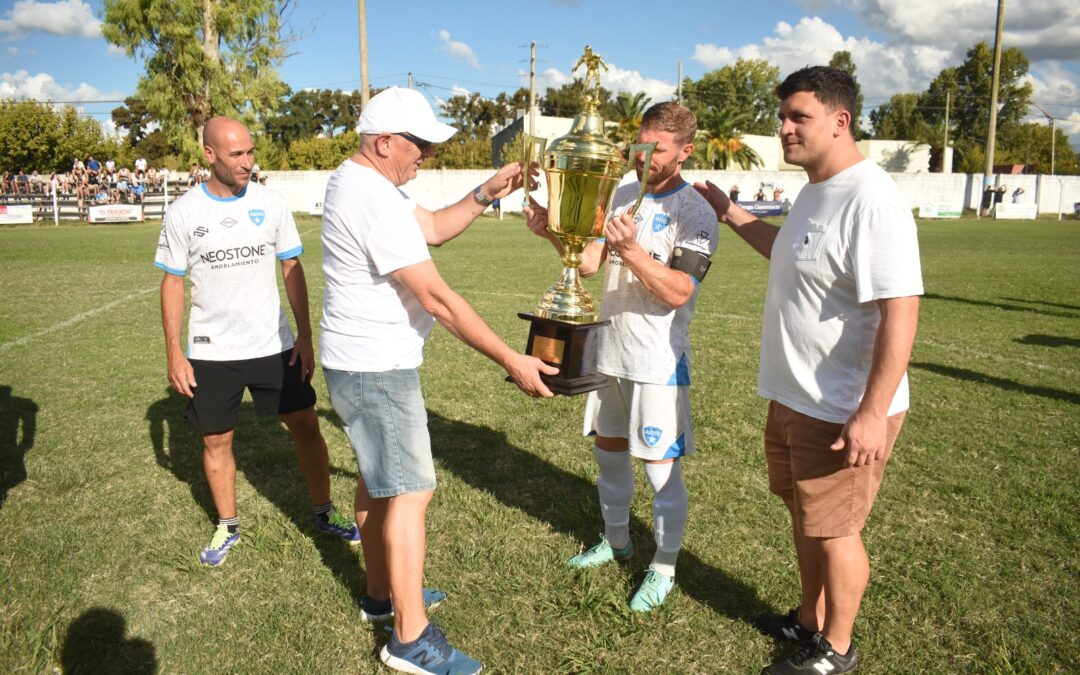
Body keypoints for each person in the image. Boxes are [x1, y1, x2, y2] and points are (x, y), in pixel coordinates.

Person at [319, 86, 557, 675]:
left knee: (379, 482)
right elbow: (437, 300)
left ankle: (383, 595)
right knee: (410, 491)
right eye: (420, 144)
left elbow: (433, 226)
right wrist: (512, 359)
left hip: (360, 361)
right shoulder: (373, 199)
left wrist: (486, 192)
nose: (427, 154)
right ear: (384, 142)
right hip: (376, 367)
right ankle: (410, 638)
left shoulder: (367, 182)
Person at [695, 66, 922, 674]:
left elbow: (901, 310)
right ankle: (809, 618)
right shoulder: (816, 190)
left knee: (836, 529)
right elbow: (788, 252)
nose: (785, 129)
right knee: (806, 517)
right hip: (794, 396)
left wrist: (872, 412)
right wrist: (730, 213)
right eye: (783, 117)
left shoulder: (872, 199)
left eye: (799, 117)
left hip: (842, 408)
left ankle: (836, 649)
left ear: (840, 121)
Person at [526, 102, 719, 612]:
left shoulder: (696, 212)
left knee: (659, 470)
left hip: (656, 361)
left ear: (685, 151)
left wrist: (633, 251)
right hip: (607, 351)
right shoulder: (621, 194)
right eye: (639, 146)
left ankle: (664, 567)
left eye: (658, 149)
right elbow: (590, 263)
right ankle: (616, 541)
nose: (644, 157)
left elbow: (678, 291)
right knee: (608, 455)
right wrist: (553, 231)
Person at [154, 116, 360, 568]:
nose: (248, 162)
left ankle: (324, 511)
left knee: (306, 426)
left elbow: (291, 269)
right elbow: (172, 281)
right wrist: (174, 351)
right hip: (212, 351)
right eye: (236, 154)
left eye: (250, 152)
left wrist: (304, 335)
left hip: (274, 344)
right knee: (216, 440)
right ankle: (228, 525)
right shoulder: (184, 212)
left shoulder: (271, 203)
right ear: (209, 155)